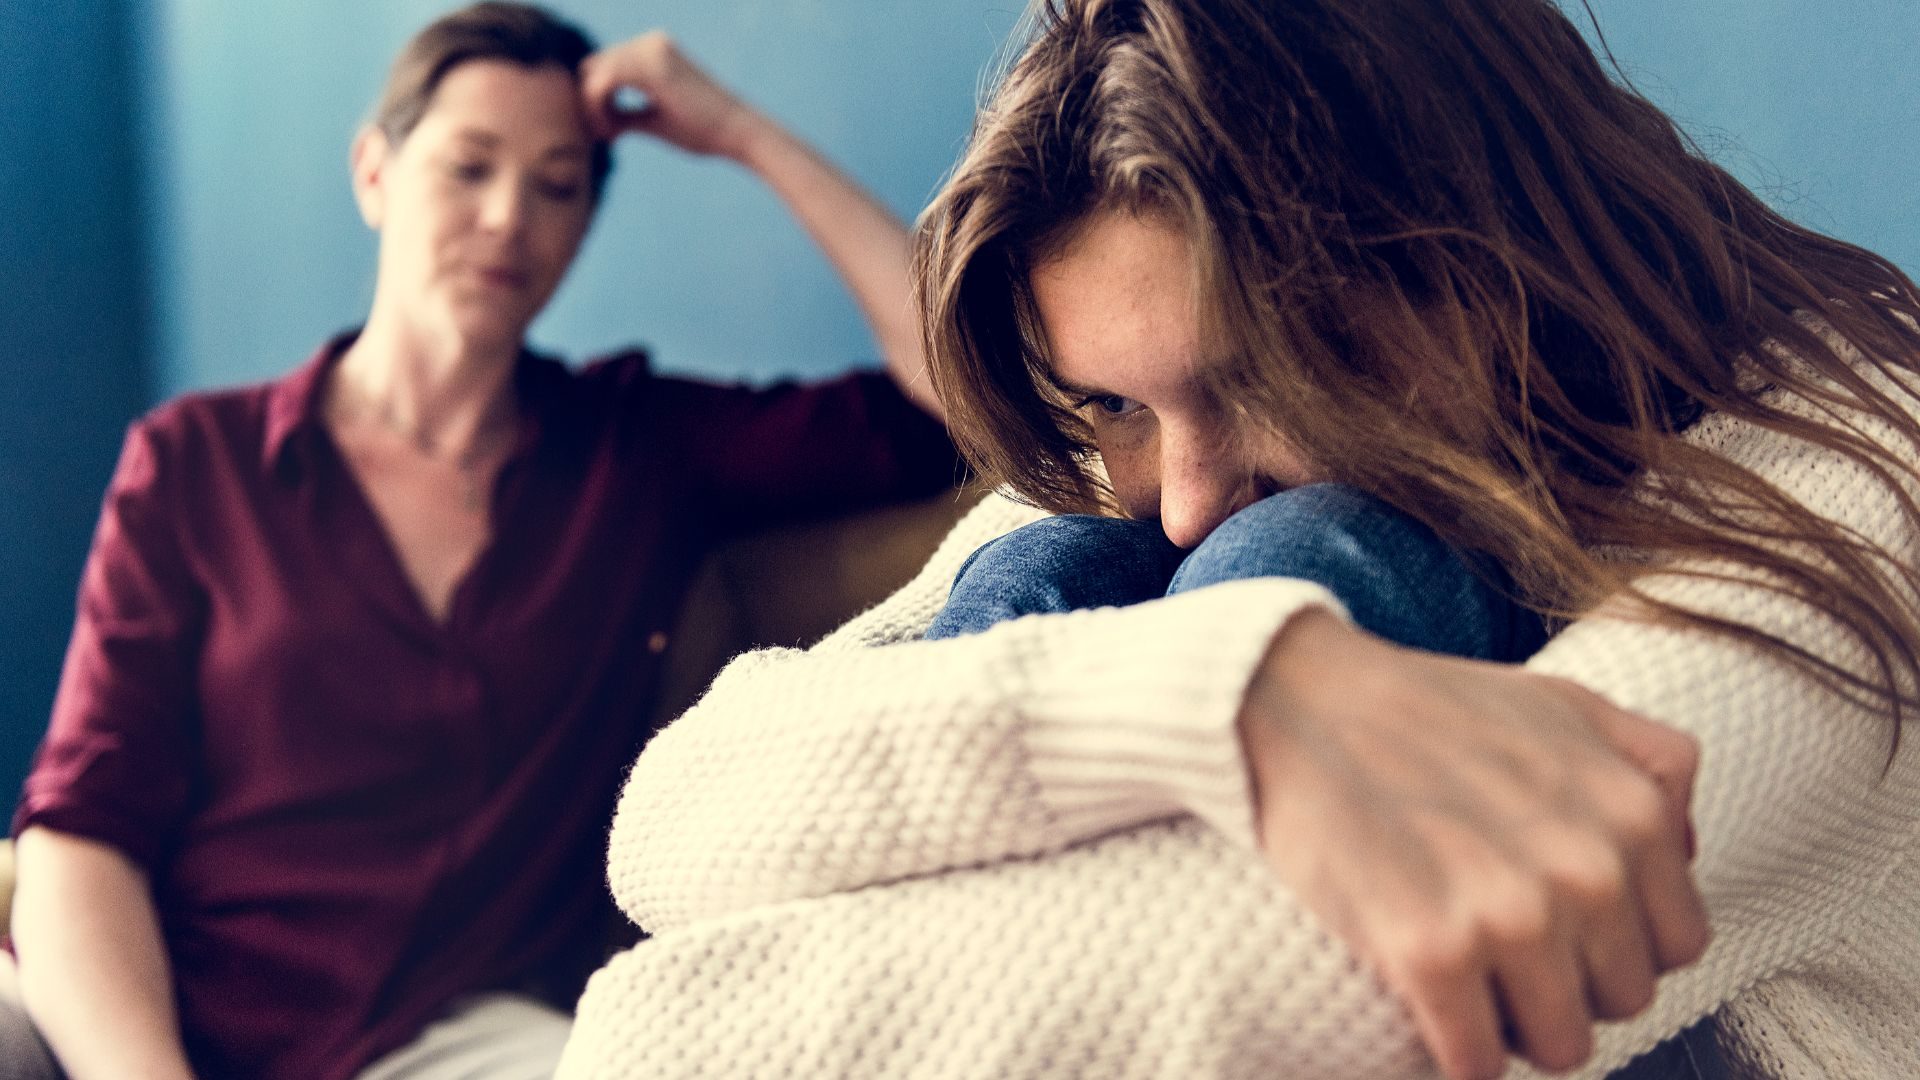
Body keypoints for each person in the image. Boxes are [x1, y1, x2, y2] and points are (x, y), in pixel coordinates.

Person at [557, 0, 1920, 1078]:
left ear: (1490, 262)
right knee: (1061, 569)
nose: (1191, 496)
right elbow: (675, 815)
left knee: (1310, 545)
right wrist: (1223, 690)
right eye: (1111, 403)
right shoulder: (1154, 467)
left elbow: (669, 1043)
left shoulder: (1851, 480)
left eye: (1268, 375)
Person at [4, 4, 958, 1078]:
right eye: (469, 167)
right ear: (375, 173)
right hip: (131, 1011)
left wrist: (738, 129)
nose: (509, 216)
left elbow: (960, 395)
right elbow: (84, 827)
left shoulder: (636, 452)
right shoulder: (194, 462)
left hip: (448, 1040)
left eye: (557, 186)